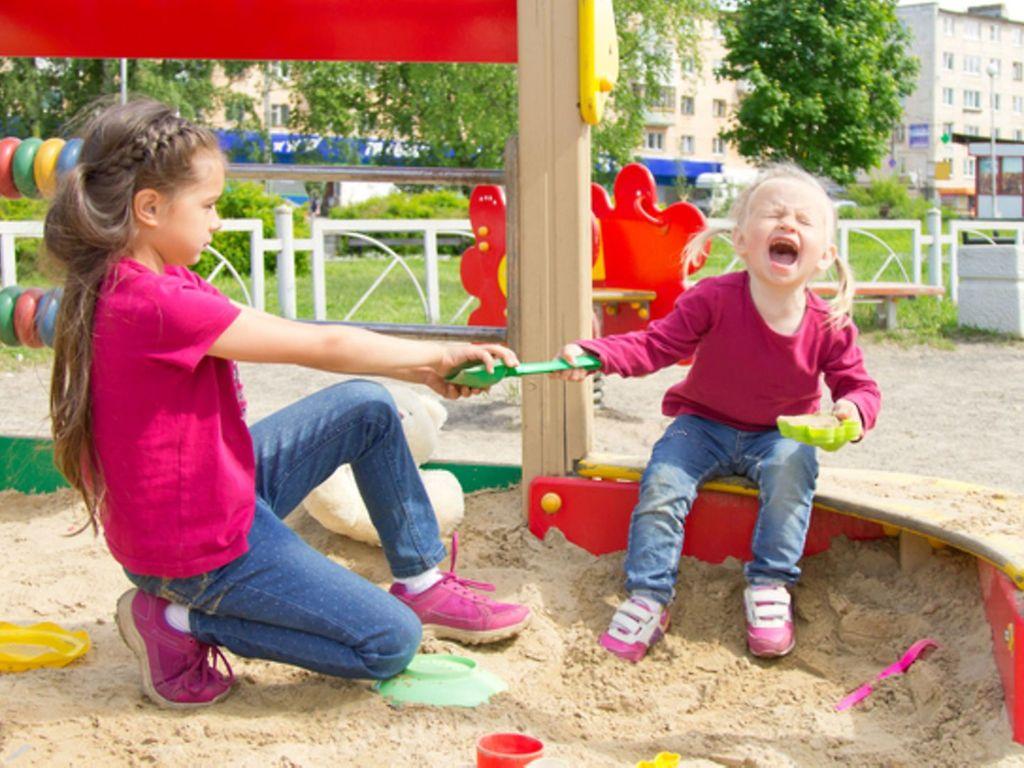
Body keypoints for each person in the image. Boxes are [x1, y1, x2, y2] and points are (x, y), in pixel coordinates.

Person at [44, 99, 531, 708]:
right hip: (195, 552)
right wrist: (434, 357)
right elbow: (316, 344)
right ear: (149, 208)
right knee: (389, 643)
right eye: (209, 205)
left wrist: (424, 368)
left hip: (212, 495)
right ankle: (176, 623)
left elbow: (291, 332)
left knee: (367, 408)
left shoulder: (159, 279)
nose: (217, 221)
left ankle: (421, 579)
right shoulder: (151, 305)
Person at [554, 164, 880, 662]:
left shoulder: (828, 322)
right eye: (773, 214)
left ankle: (771, 585)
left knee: (796, 467)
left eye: (803, 220)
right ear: (742, 242)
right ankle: (649, 596)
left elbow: (858, 385)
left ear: (825, 256)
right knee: (662, 482)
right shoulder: (714, 298)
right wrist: (599, 354)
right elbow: (657, 344)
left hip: (779, 434)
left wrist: (851, 411)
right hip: (702, 425)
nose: (788, 224)